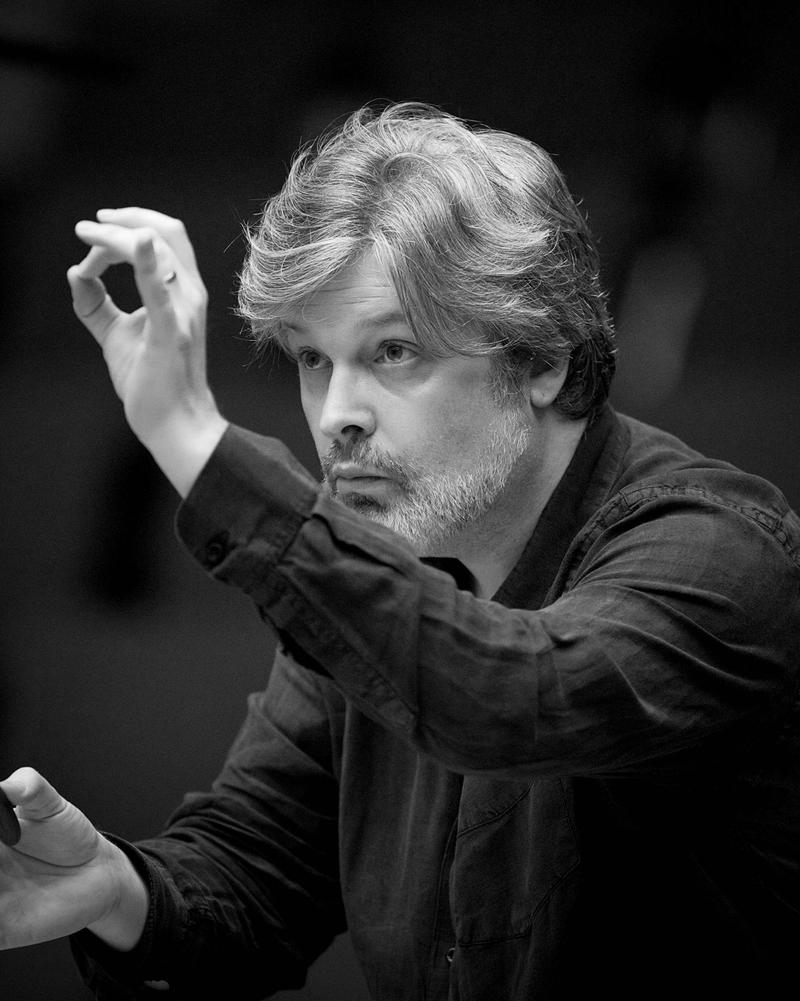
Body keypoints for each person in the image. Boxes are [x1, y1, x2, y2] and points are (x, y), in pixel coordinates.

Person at [1, 102, 798, 1000]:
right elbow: (252, 880)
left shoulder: (719, 550)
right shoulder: (380, 570)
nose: (337, 411)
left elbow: (511, 698)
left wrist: (191, 433)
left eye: (393, 350)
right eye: (311, 358)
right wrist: (113, 887)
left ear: (539, 358)